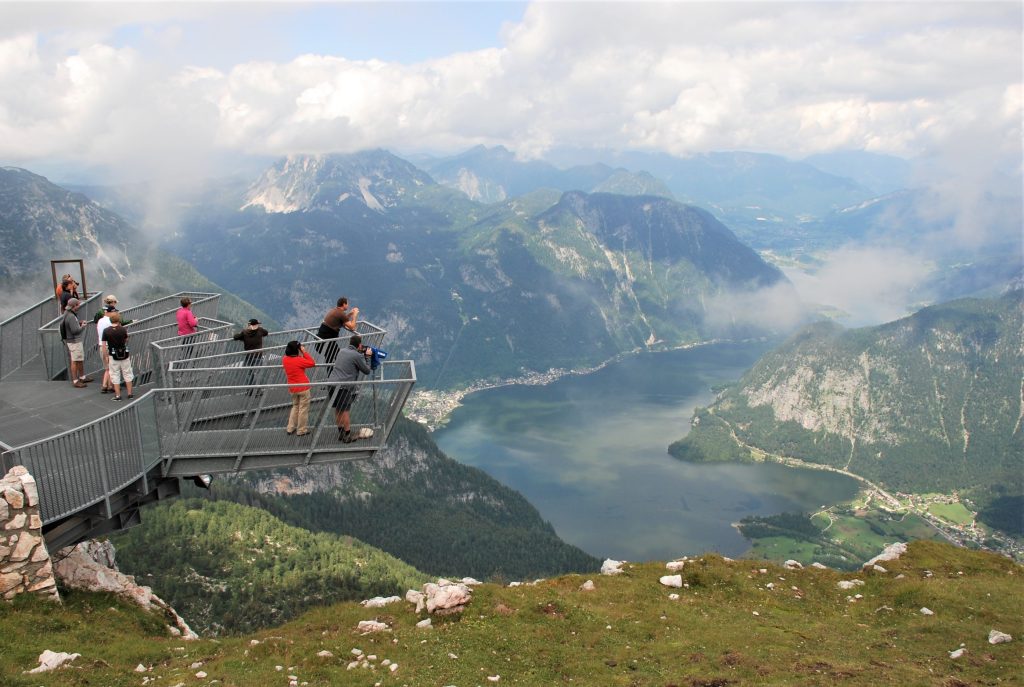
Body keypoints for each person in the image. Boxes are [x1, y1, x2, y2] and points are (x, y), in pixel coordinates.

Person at [329, 334, 372, 443]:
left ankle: (341, 433)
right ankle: (347, 435)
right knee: (345, 411)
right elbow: (366, 370)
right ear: (359, 345)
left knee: (338, 409)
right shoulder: (356, 356)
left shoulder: (341, 351)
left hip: (332, 384)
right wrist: (367, 358)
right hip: (344, 386)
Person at [282, 340, 315, 436]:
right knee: (303, 409)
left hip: (292, 388)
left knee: (295, 407)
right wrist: (304, 352)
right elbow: (312, 363)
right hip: (303, 388)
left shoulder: (285, 359)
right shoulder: (299, 360)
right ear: (297, 349)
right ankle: (301, 430)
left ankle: (290, 428)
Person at [315, 297, 360, 364]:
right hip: (328, 340)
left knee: (334, 356)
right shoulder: (341, 314)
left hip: (323, 339)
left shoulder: (334, 310)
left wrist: (350, 314)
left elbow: (342, 320)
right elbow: (352, 327)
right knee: (337, 357)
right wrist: (355, 315)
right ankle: (335, 372)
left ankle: (333, 372)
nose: (348, 305)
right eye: (347, 304)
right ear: (344, 304)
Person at [102, 312, 134, 401]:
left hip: (113, 355)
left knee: (115, 374)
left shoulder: (106, 331)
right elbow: (126, 339)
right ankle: (130, 394)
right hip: (124, 354)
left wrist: (105, 356)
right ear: (118, 320)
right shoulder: (123, 329)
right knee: (127, 373)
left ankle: (118, 396)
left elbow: (104, 345)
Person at [60, 298, 92, 388]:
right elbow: (75, 331)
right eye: (78, 305)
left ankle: (82, 377)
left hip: (70, 340)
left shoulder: (67, 314)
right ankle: (75, 381)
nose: (79, 306)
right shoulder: (71, 316)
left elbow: (71, 326)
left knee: (79, 359)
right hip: (74, 341)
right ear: (74, 306)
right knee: (75, 360)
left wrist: (78, 322)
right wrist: (82, 326)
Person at [233, 318, 269, 386]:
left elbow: (235, 337)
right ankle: (256, 391)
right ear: (255, 325)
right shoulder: (260, 330)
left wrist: (243, 337)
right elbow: (266, 332)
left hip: (249, 357)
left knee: (250, 374)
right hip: (258, 356)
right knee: (257, 374)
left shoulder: (245, 332)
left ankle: (249, 390)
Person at [95, 294, 119, 393]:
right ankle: (108, 385)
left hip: (101, 346)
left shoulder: (100, 321)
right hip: (110, 346)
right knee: (112, 368)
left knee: (107, 368)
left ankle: (107, 385)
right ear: (109, 312)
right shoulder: (110, 321)